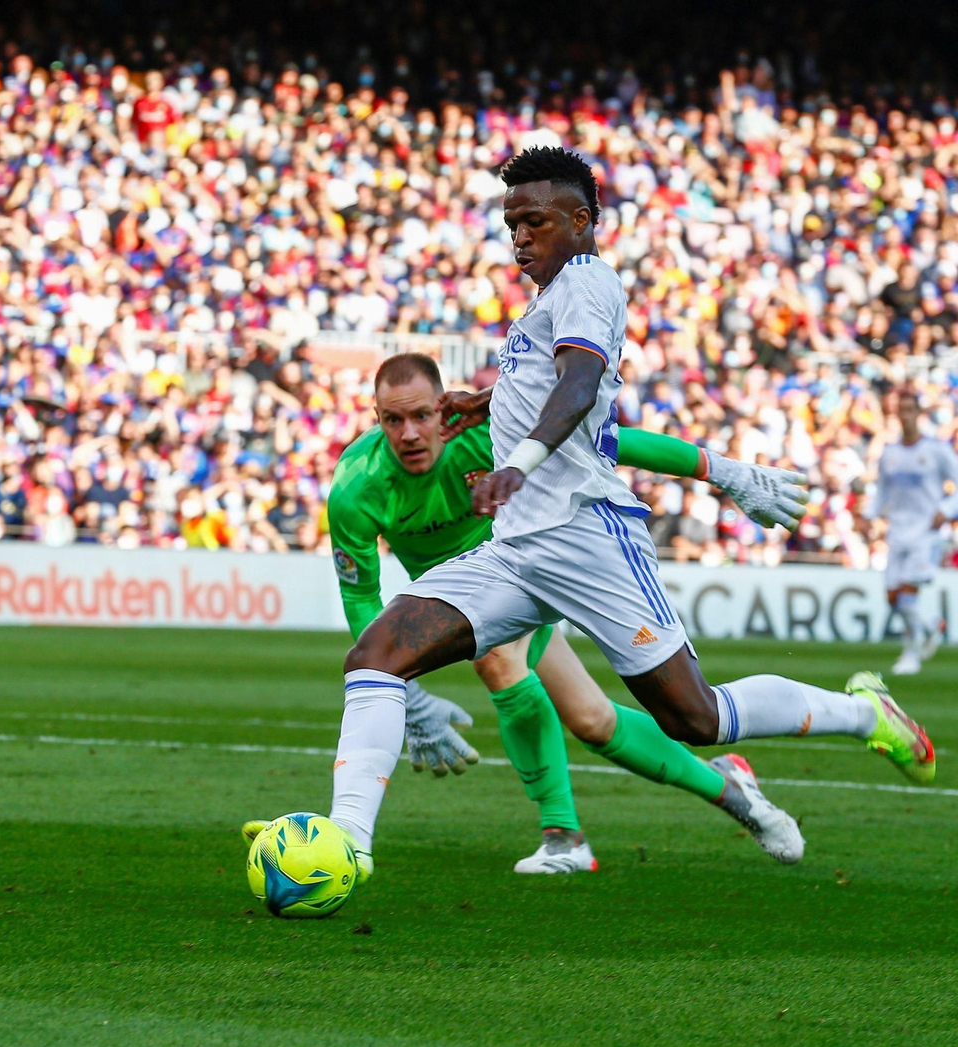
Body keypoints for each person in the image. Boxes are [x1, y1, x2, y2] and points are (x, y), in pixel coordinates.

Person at [323, 146, 936, 881]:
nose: (520, 236)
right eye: (511, 223)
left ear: (583, 222)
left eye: (536, 221)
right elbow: (556, 382)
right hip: (518, 548)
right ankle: (346, 847)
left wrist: (516, 464)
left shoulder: (586, 281)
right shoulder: (547, 300)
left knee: (696, 718)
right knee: (378, 655)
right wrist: (486, 401)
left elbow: (581, 385)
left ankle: (863, 712)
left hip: (586, 535)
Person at [248, 353, 810, 875]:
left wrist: (721, 470)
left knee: (499, 665)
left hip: (533, 565)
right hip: (464, 599)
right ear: (376, 419)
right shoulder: (355, 486)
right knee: (593, 720)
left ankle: (564, 835)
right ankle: (729, 787)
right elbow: (361, 597)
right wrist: (410, 698)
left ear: (444, 407)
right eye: (394, 421)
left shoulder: (482, 436)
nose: (411, 434)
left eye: (422, 415)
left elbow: (607, 443)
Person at [866, 392, 958, 675]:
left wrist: (947, 509)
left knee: (907, 596)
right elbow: (881, 489)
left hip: (926, 532)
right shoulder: (891, 453)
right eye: (900, 410)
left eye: (909, 409)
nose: (905, 415)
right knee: (893, 597)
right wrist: (869, 516)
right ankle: (931, 626)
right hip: (898, 531)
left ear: (919, 412)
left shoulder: (937, 450)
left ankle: (911, 654)